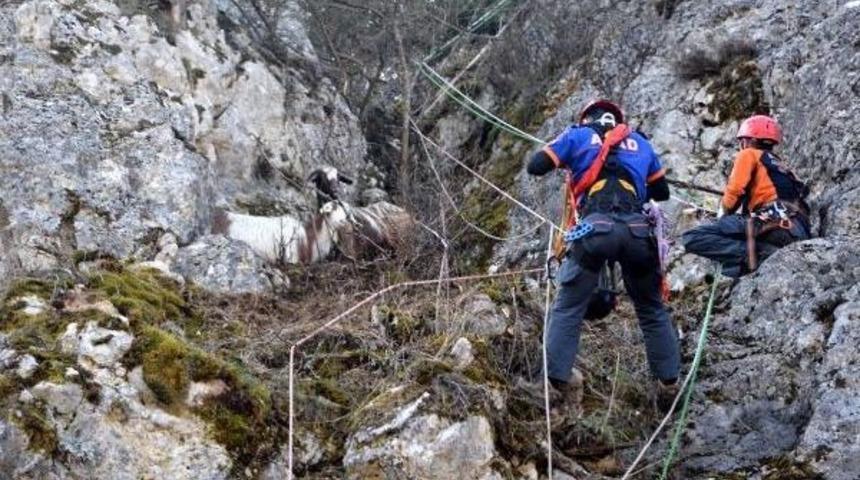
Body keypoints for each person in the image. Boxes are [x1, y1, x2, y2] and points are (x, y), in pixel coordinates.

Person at [522, 99, 680, 414]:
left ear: (587, 119)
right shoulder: (641, 143)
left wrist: (569, 158)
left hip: (597, 230)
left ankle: (550, 385)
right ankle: (669, 386)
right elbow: (660, 191)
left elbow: (536, 166)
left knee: (568, 306)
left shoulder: (577, 136)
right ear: (616, 121)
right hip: (637, 233)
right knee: (651, 308)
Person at [682, 115, 811, 278]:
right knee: (728, 268)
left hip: (774, 222)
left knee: (692, 237)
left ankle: (762, 255)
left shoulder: (749, 154)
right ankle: (757, 257)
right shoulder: (781, 167)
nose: (741, 145)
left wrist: (723, 215)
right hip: (797, 229)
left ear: (748, 140)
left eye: (742, 141)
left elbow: (734, 191)